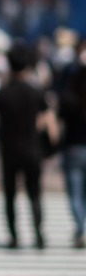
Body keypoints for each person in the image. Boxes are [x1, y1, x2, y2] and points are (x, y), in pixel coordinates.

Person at [0, 44, 58, 249]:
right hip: (32, 150)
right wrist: (52, 148)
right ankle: (39, 234)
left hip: (9, 152)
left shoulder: (1, 94)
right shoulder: (36, 93)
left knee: (10, 195)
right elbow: (50, 125)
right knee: (35, 193)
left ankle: (14, 237)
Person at [57, 63, 86, 248]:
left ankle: (81, 228)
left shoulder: (69, 98)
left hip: (73, 148)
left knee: (75, 193)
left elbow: (60, 123)